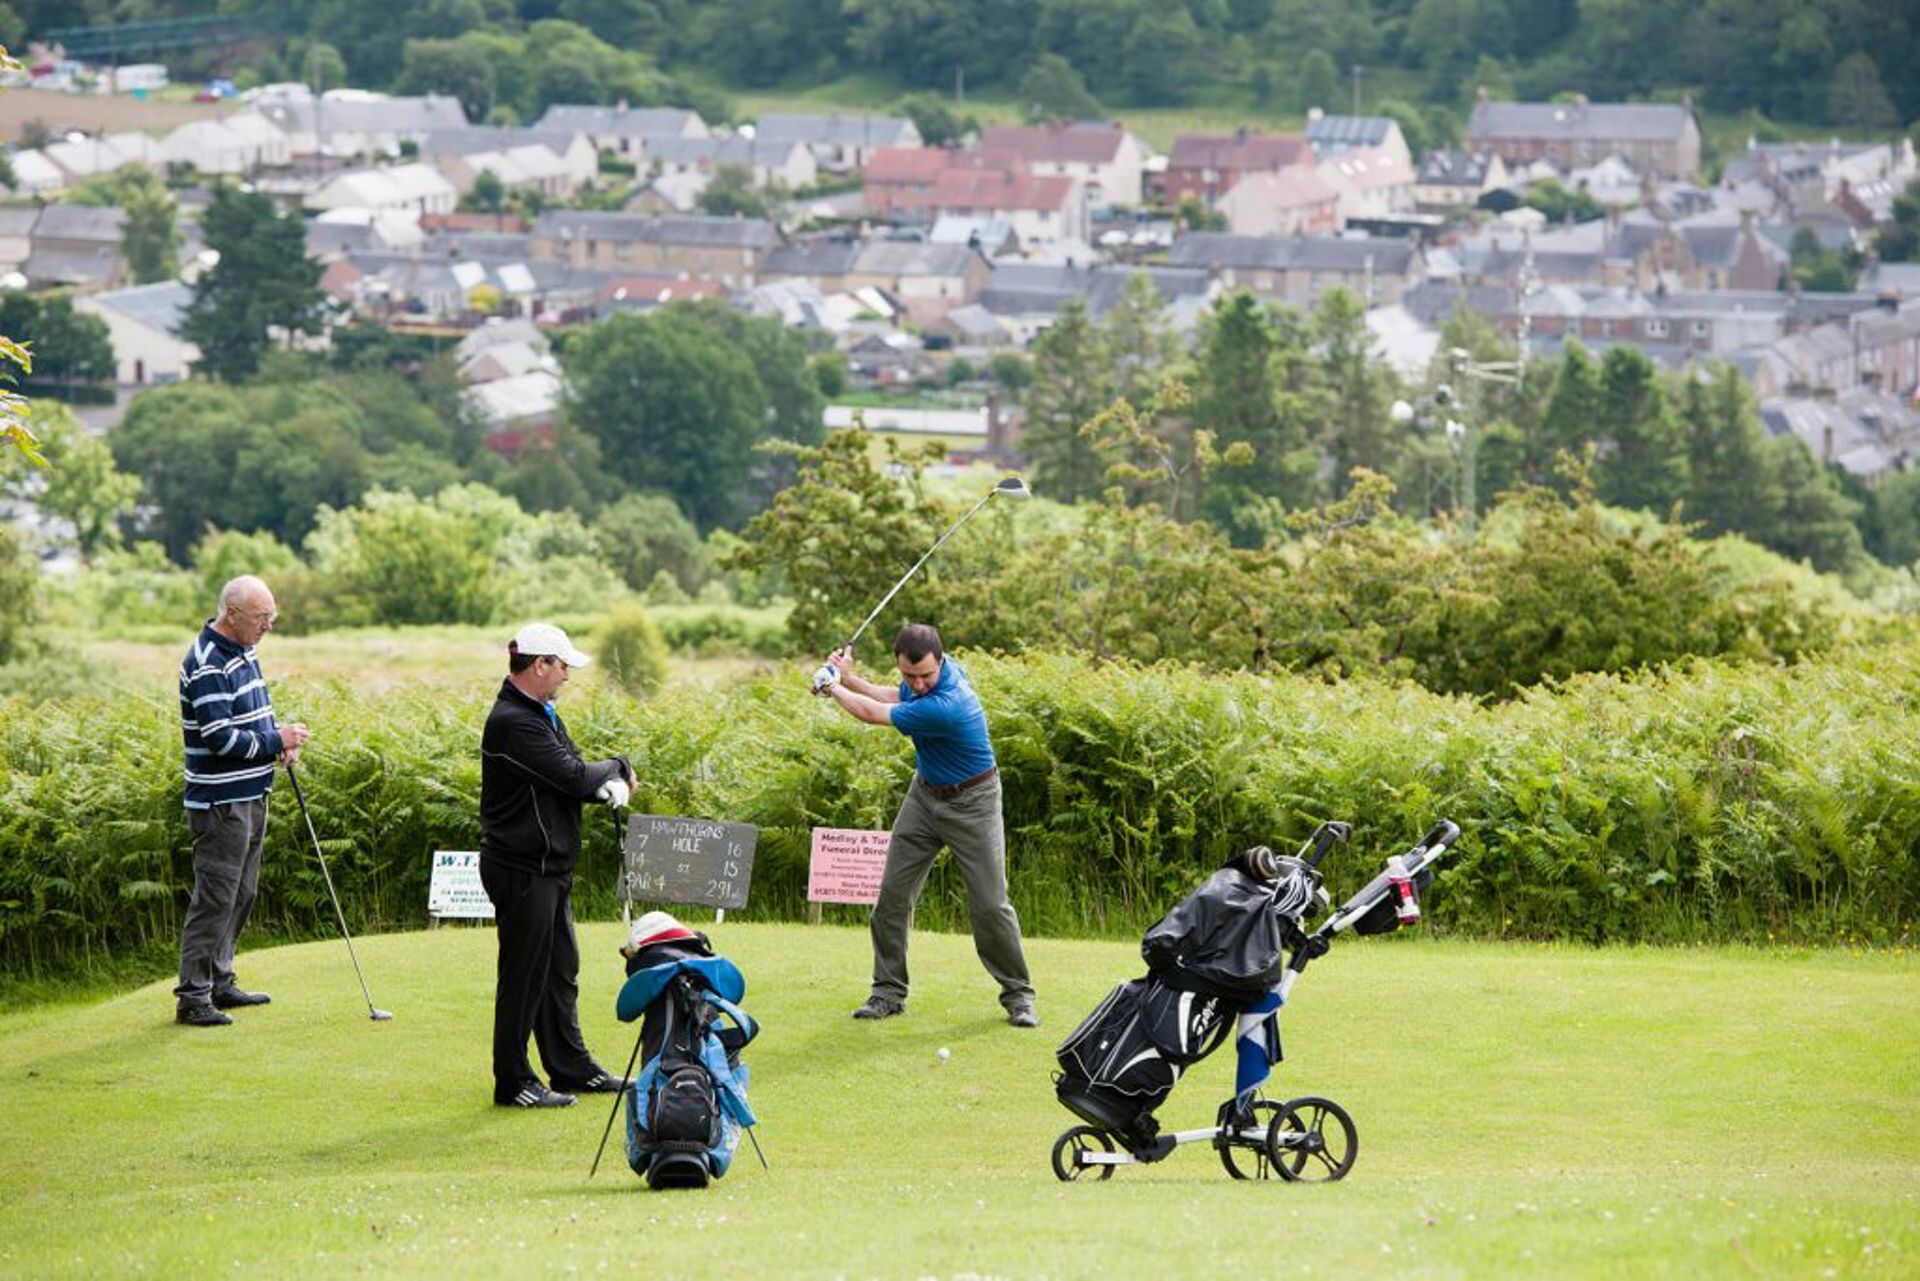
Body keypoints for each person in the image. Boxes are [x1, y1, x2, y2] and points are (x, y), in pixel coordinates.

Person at [813, 622, 1037, 1027]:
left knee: (990, 906)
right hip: (925, 797)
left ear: (942, 661)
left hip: (975, 802)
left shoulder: (951, 701)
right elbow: (889, 696)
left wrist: (831, 687)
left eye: (925, 676)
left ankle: (1019, 996)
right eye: (909, 675)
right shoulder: (924, 685)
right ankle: (887, 992)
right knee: (891, 899)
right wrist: (848, 677)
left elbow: (872, 713)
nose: (917, 684)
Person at [479, 622, 637, 1108]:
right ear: (540, 664)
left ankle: (570, 1067)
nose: (567, 675)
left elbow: (572, 770)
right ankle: (513, 1081)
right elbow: (572, 775)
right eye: (562, 665)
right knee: (524, 976)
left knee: (559, 970)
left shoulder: (541, 713)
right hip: (523, 867)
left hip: (548, 865)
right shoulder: (513, 721)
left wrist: (604, 775)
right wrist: (621, 766)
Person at [175, 575, 310, 1028]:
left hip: (251, 794)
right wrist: (275, 739)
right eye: (262, 617)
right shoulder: (208, 662)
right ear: (232, 614)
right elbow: (218, 738)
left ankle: (220, 979)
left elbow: (257, 716)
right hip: (220, 803)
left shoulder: (244, 652)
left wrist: (280, 744)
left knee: (243, 892)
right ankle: (193, 996)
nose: (268, 626)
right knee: (214, 898)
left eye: (272, 617)